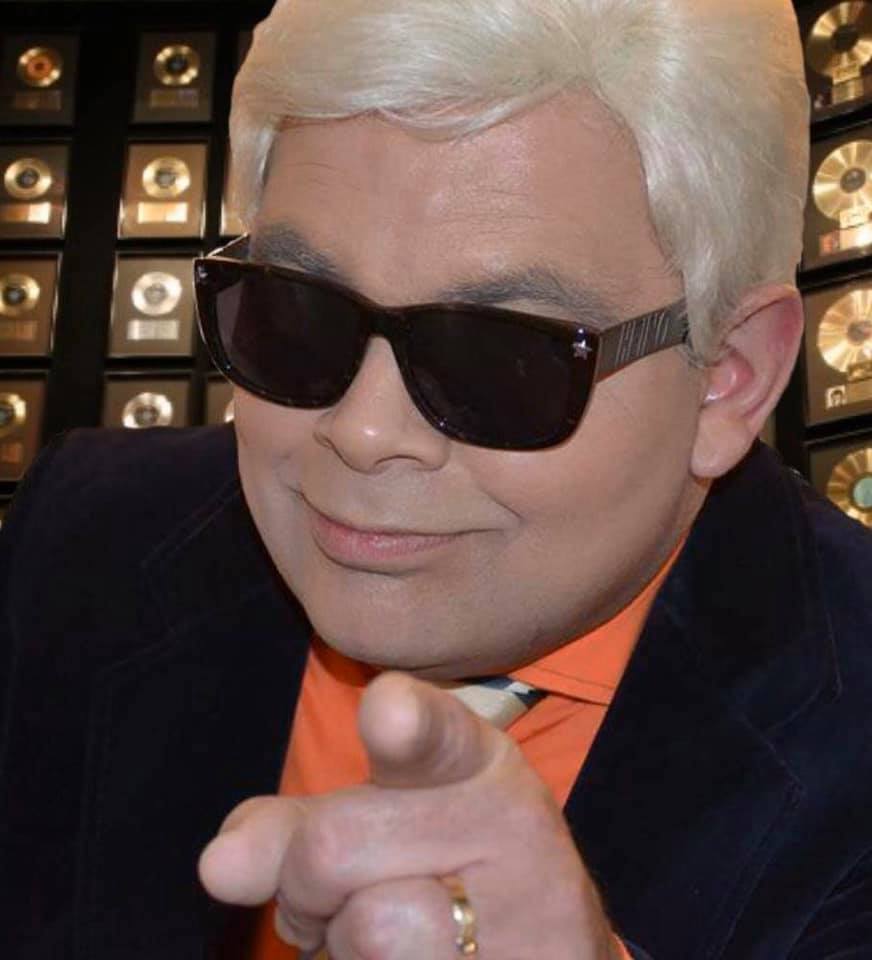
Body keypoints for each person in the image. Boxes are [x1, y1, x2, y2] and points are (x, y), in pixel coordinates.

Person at [2, 0, 871, 957]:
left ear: (727, 378)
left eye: (498, 356)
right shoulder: (82, 537)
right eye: (297, 314)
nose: (365, 432)